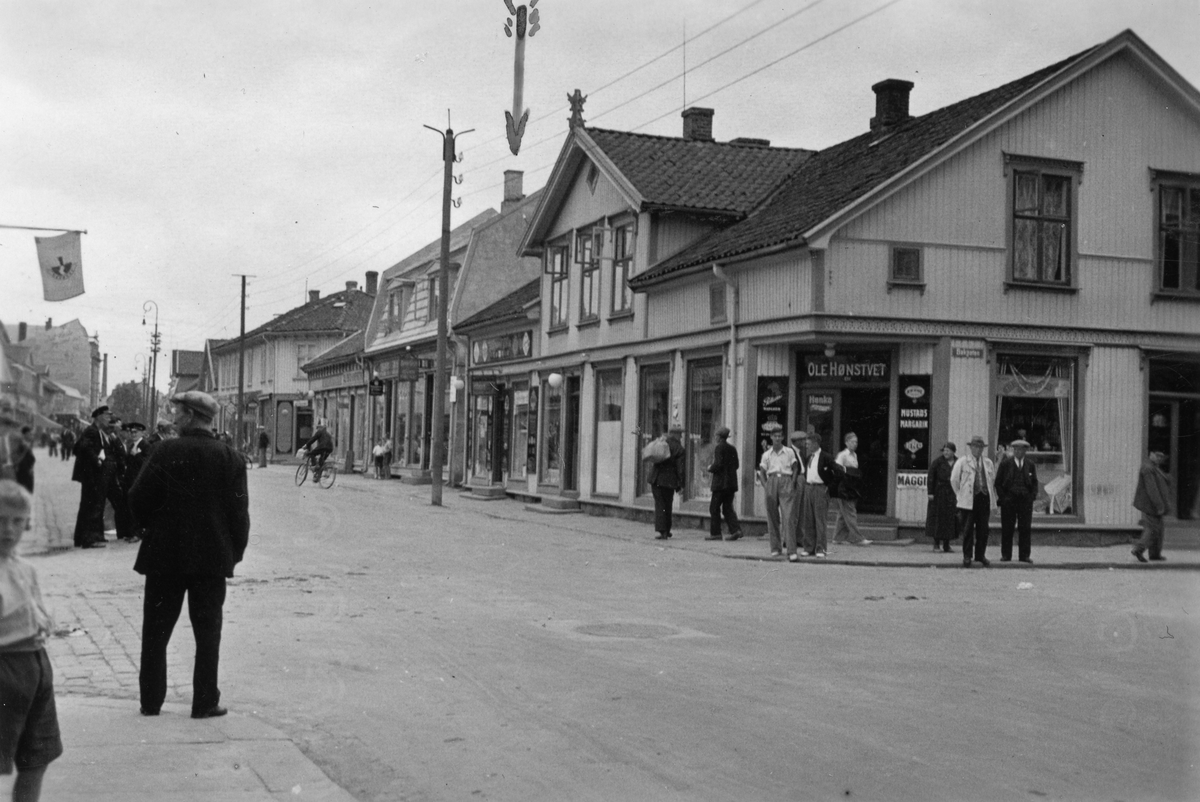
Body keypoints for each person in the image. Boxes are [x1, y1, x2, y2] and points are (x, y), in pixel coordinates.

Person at [129, 391, 249, 719]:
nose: (175, 416)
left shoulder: (164, 451)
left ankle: (151, 701)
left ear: (191, 416)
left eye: (178, 412)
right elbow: (239, 513)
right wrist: (231, 553)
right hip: (211, 560)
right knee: (208, 634)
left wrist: (152, 529)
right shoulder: (231, 458)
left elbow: (137, 497)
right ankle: (205, 702)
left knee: (155, 631)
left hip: (163, 557)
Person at [0, 480, 63, 802]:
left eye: (16, 521)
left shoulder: (25, 568)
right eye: (0, 520)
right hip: (5, 667)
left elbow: (37, 612)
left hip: (36, 668)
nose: (8, 530)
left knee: (37, 757)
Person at [951, 435, 998, 567]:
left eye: (980, 447)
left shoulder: (988, 463)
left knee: (983, 530)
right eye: (975, 447)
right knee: (968, 530)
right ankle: (967, 556)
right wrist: (960, 495)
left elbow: (992, 480)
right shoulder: (962, 461)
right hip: (968, 500)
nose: (978, 449)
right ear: (971, 448)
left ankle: (980, 555)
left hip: (984, 499)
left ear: (983, 449)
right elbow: (954, 480)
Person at [71, 406, 114, 549]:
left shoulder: (97, 431)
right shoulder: (91, 431)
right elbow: (80, 447)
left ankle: (85, 537)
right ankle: (90, 539)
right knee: (92, 506)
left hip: (95, 476)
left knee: (89, 506)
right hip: (92, 476)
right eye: (107, 416)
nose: (109, 418)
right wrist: (96, 459)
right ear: (99, 416)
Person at [798, 432, 843, 558]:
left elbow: (839, 471)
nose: (807, 446)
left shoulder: (826, 457)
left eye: (809, 444)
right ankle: (808, 547)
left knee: (820, 520)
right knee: (808, 520)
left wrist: (830, 487)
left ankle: (820, 548)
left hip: (820, 489)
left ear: (816, 444)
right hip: (809, 488)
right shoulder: (809, 457)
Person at [757, 430, 800, 558]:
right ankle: (775, 548)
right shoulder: (766, 454)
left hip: (786, 479)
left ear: (783, 437)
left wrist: (792, 482)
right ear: (771, 437)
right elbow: (762, 472)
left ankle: (792, 550)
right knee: (772, 516)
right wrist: (766, 486)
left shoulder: (789, 452)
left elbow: (795, 467)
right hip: (772, 480)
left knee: (788, 517)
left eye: (779, 436)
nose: (777, 438)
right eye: (774, 436)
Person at [995, 438, 1038, 563]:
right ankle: (1006, 555)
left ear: (1025, 451)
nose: (1019, 452)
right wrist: (1003, 498)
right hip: (1009, 501)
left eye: (1022, 450)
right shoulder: (1005, 464)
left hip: (1025, 501)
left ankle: (1024, 556)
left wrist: (1031, 497)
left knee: (1025, 528)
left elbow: (1034, 483)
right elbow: (998, 483)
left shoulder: (1030, 465)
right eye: (1016, 449)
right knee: (1007, 528)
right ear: (1013, 450)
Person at [831, 432, 872, 547]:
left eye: (856, 442)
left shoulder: (854, 455)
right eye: (853, 442)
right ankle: (857, 538)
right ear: (847, 442)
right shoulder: (842, 455)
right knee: (850, 512)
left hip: (852, 486)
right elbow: (837, 469)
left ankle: (837, 538)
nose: (855, 444)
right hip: (844, 486)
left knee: (843, 513)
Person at [1131, 449, 1171, 563]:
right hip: (1151, 506)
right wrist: (1159, 506)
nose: (1159, 458)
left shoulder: (1154, 467)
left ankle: (1155, 554)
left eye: (1161, 456)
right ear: (1151, 454)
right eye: (1157, 455)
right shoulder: (1148, 468)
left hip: (1153, 505)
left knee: (1159, 529)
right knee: (1153, 529)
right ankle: (1138, 549)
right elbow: (1152, 489)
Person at [648, 425, 686, 540]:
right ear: (675, 434)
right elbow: (681, 469)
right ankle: (665, 530)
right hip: (669, 482)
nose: (681, 436)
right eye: (680, 434)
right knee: (667, 505)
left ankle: (663, 530)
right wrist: (681, 484)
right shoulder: (679, 448)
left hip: (656, 479)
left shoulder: (661, 443)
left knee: (660, 505)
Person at [706, 426, 742, 541]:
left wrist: (710, 468)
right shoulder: (732, 448)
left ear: (719, 437)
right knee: (727, 508)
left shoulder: (719, 448)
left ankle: (716, 533)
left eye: (716, 436)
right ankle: (736, 530)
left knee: (714, 508)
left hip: (720, 484)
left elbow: (718, 464)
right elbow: (736, 465)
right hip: (731, 484)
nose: (715, 437)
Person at [926, 442, 958, 552]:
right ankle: (936, 544)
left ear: (953, 452)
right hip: (939, 493)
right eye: (944, 450)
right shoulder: (937, 462)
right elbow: (931, 477)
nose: (945, 452)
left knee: (950, 519)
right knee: (938, 518)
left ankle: (946, 544)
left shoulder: (958, 462)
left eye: (948, 450)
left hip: (952, 493)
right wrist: (930, 492)